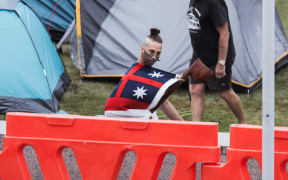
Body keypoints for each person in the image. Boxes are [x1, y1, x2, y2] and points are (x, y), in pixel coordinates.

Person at [187, 0, 246, 124]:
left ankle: (243, 123)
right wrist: (195, 52)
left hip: (218, 56)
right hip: (200, 56)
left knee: (224, 92)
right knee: (195, 89)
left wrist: (221, 62)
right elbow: (197, 29)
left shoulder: (214, 2)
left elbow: (224, 33)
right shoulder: (193, 1)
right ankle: (195, 128)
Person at [105, 28, 184, 121]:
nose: (154, 56)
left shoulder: (146, 72)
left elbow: (163, 102)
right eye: (151, 51)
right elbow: (164, 103)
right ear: (143, 49)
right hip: (119, 117)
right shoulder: (137, 73)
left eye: (158, 53)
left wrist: (184, 125)